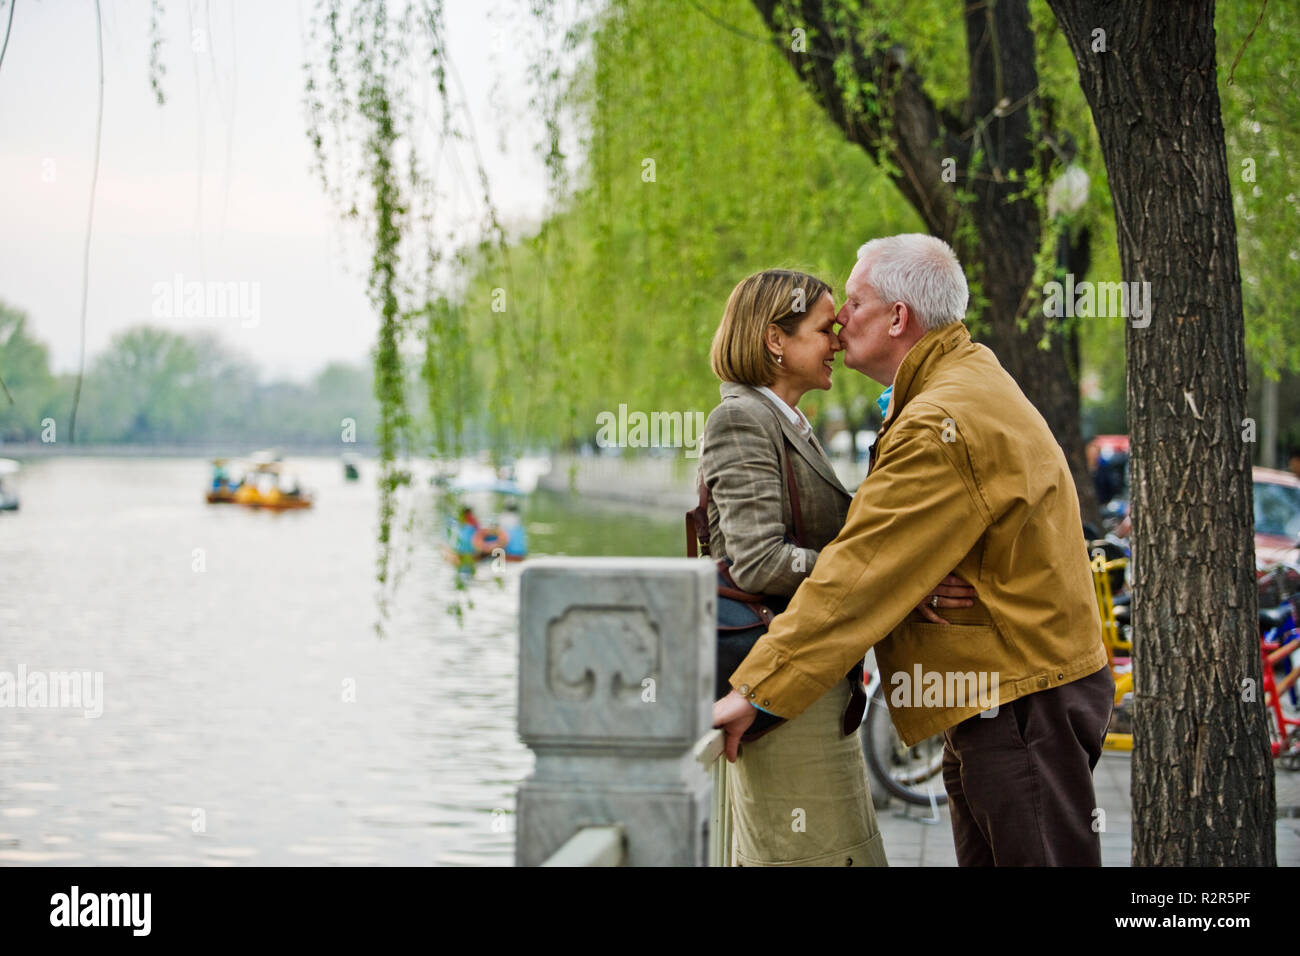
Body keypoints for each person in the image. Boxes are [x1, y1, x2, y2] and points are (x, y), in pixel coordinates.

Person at [713, 235, 1114, 867]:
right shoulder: (963, 377)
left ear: (898, 317)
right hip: (1006, 688)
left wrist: (757, 691)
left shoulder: (938, 420)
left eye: (853, 300)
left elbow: (863, 571)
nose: (841, 319)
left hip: (1016, 700)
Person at [699, 268, 971, 867]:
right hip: (782, 690)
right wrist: (886, 580)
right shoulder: (742, 419)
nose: (841, 337)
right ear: (776, 340)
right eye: (826, 327)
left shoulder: (788, 422)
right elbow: (759, 560)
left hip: (811, 685)